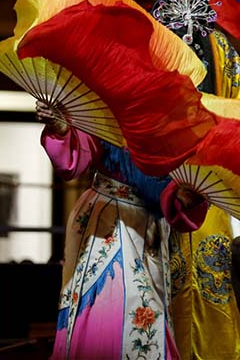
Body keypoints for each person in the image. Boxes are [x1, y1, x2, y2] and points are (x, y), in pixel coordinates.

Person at [140, 0, 240, 360]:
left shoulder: (219, 44)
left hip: (205, 182)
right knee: (154, 290)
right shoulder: (143, 36)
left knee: (211, 288)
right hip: (152, 182)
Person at [37, 102, 205, 359]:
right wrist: (62, 129)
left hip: (150, 227)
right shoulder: (102, 98)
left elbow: (184, 184)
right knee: (105, 315)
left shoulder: (176, 109)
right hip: (106, 219)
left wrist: (186, 197)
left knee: (147, 320)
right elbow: (73, 161)